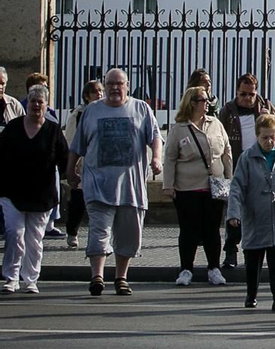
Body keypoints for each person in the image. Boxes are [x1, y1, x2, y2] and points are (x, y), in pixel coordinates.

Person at [72, 68, 162, 296]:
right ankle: (97, 276)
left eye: (119, 84)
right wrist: (70, 170)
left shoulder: (141, 108)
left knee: (128, 235)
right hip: (98, 185)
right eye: (110, 83)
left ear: (127, 85)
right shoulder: (92, 111)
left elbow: (155, 138)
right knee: (98, 232)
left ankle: (121, 277)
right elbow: (77, 145)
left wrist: (156, 158)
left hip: (130, 187)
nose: (114, 88)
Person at [0, 84, 70, 293]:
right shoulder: (13, 127)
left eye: (40, 102)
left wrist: (71, 178)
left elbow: (64, 158)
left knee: (34, 239)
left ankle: (31, 279)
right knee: (15, 234)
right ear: (27, 104)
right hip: (13, 192)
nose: (36, 105)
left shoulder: (53, 130)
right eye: (32, 101)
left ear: (46, 105)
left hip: (42, 195)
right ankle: (11, 277)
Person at [163, 84, 235, 286]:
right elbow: (169, 158)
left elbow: (226, 151)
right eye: (204, 100)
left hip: (214, 185)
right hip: (187, 187)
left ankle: (214, 268)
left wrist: (230, 178)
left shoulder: (215, 124)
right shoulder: (179, 128)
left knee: (212, 229)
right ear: (193, 103)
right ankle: (186, 268)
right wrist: (168, 185)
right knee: (189, 230)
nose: (208, 103)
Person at [226, 114, 275, 311]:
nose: (269, 141)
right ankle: (251, 294)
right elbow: (237, 187)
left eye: (273, 136)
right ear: (257, 136)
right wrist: (233, 213)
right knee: (253, 260)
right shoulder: (247, 157)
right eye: (265, 137)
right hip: (254, 215)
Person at [218, 73, 275, 270]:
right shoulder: (228, 110)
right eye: (243, 94)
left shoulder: (264, 106)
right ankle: (230, 252)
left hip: (260, 164)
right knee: (234, 209)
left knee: (259, 210)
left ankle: (256, 251)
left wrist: (268, 115)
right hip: (237, 163)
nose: (247, 98)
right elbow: (219, 135)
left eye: (251, 94)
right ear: (237, 92)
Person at [62, 78, 103, 250]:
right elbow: (71, 139)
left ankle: (99, 236)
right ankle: (72, 232)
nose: (99, 94)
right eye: (95, 91)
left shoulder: (107, 110)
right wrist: (74, 165)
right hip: (83, 164)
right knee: (78, 202)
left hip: (100, 165)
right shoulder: (78, 114)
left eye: (101, 91)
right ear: (86, 96)